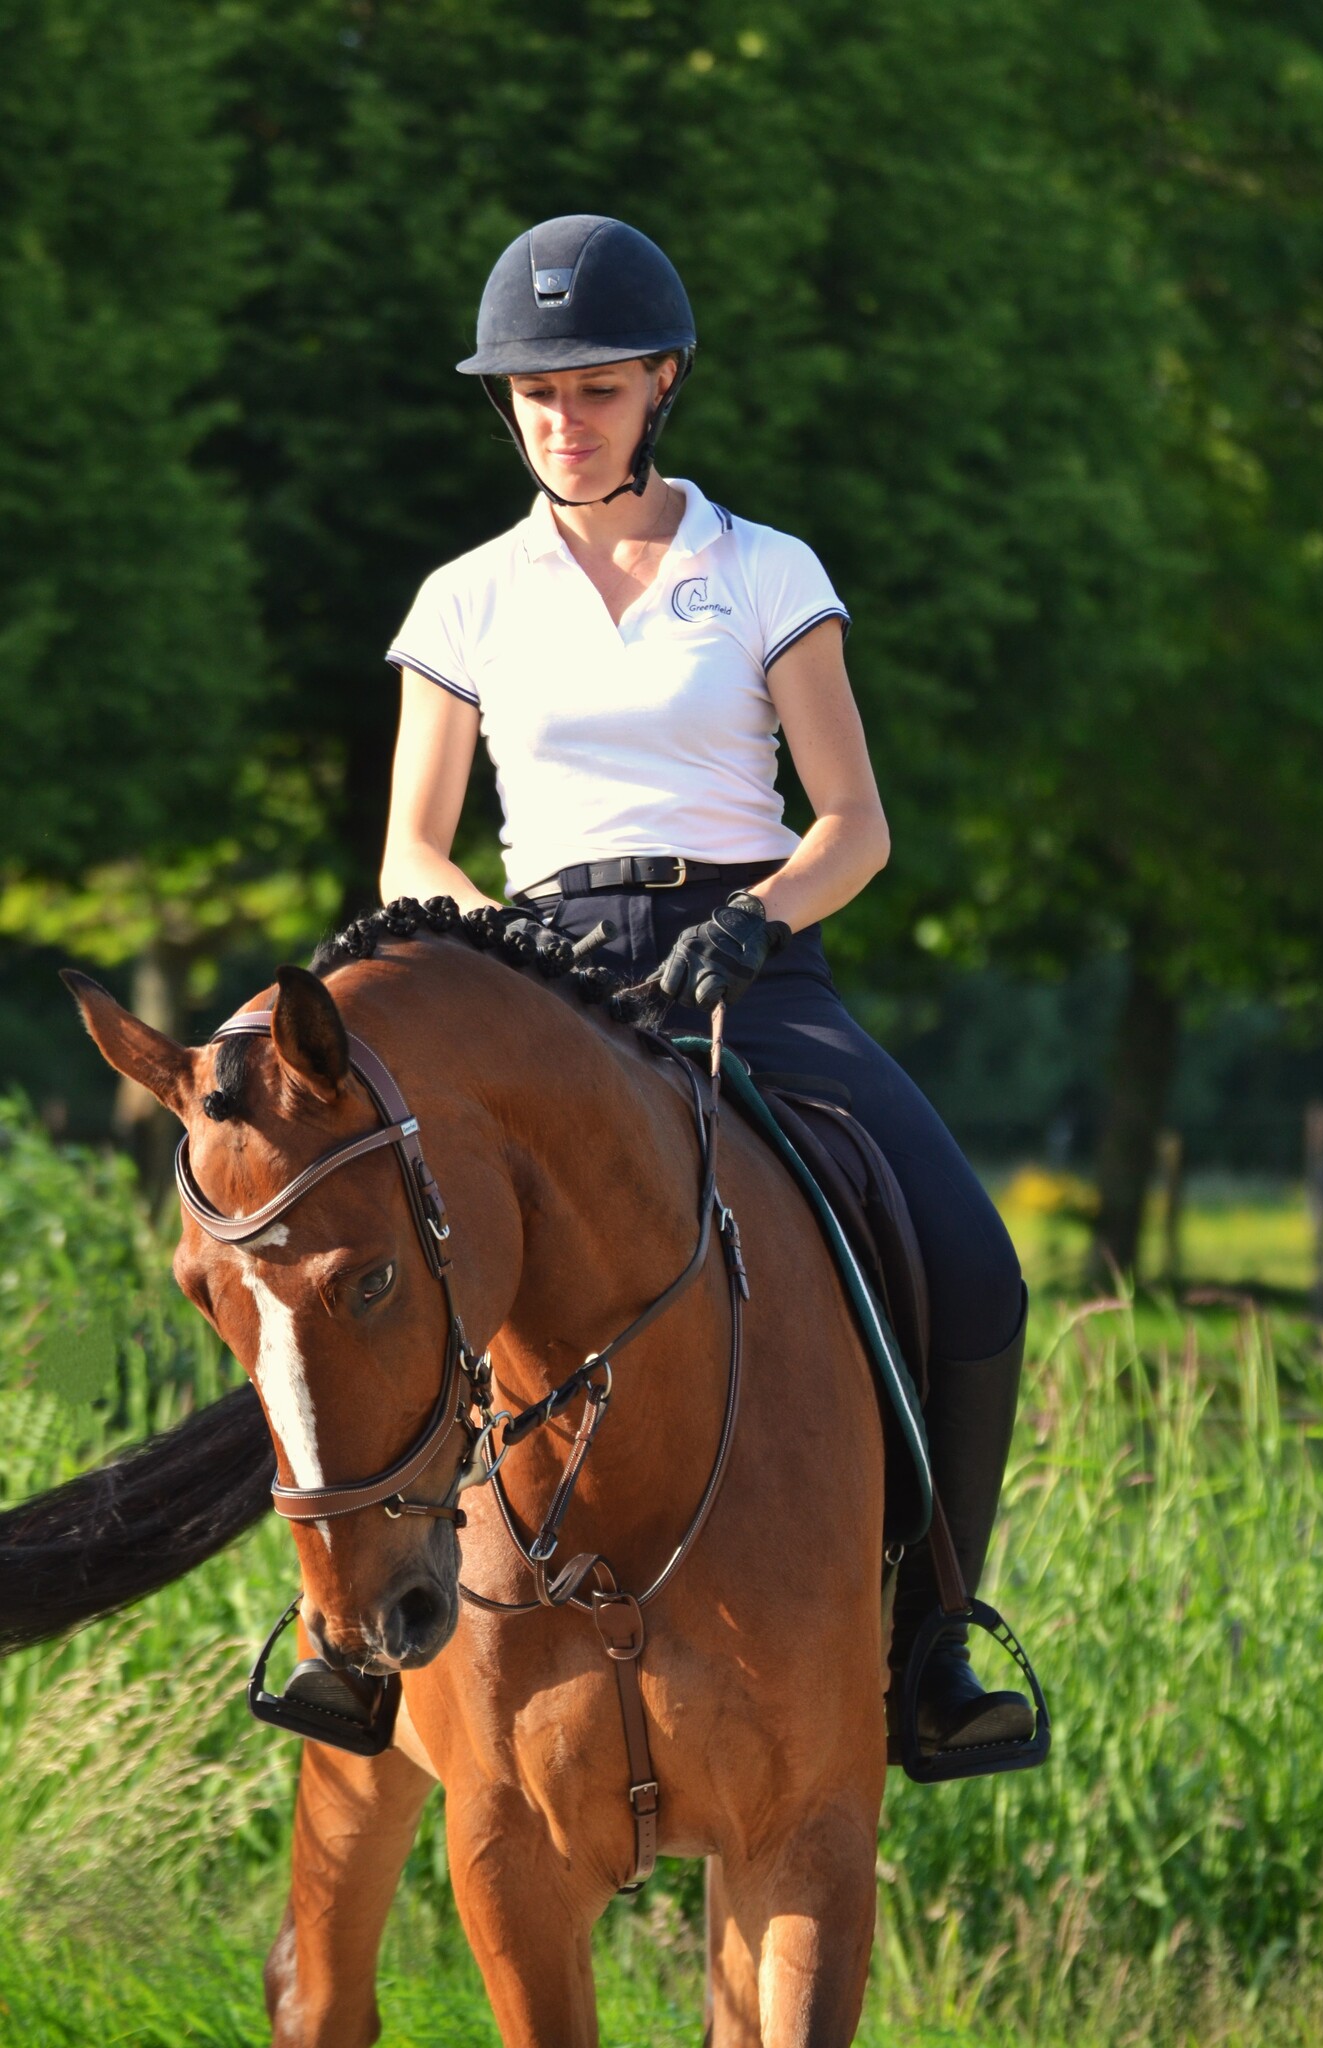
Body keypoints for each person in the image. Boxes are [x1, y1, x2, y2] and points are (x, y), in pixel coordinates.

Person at [380, 214, 1033, 1767]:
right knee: (357, 1242)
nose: (561, 421)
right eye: (534, 396)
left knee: (974, 1262)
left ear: (661, 381)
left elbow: (853, 823)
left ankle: (933, 1637)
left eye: (593, 390)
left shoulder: (763, 569)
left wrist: (756, 926)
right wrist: (505, 948)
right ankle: (355, 1641)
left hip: (746, 964)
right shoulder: (464, 595)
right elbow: (413, 845)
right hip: (537, 978)